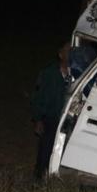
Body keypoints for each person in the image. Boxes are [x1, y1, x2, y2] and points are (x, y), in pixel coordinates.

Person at [31, 42, 72, 182]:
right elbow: (38, 96)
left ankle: (55, 180)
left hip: (67, 120)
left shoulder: (77, 73)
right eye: (67, 51)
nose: (71, 53)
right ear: (60, 54)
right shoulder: (49, 73)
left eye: (72, 50)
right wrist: (37, 119)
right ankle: (38, 181)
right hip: (51, 118)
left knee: (63, 152)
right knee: (45, 151)